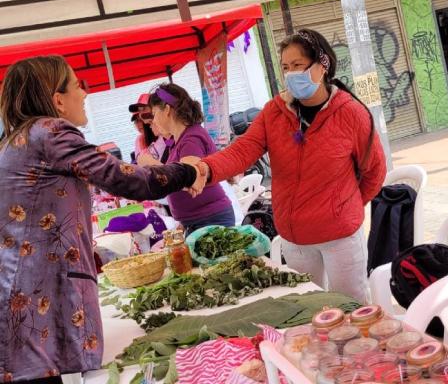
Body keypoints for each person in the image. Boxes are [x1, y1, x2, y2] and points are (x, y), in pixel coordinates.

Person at [0, 56, 207, 383]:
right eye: (76, 85)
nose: (84, 93)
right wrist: (189, 170)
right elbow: (126, 178)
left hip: (21, 304)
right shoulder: (49, 132)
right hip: (34, 308)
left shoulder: (15, 140)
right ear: (57, 100)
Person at [182, 29, 386, 303]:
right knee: (307, 309)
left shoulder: (351, 113)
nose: (291, 74)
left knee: (351, 308)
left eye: (298, 66)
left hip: (341, 239)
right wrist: (205, 169)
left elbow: (374, 171)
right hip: (295, 239)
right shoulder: (274, 112)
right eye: (286, 68)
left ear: (322, 66)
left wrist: (344, 205)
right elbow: (243, 150)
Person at [146, 83, 235, 233]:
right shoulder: (179, 140)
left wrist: (152, 165)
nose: (153, 121)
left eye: (154, 114)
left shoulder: (191, 138)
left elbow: (189, 178)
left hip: (210, 219)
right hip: (198, 220)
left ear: (167, 110)